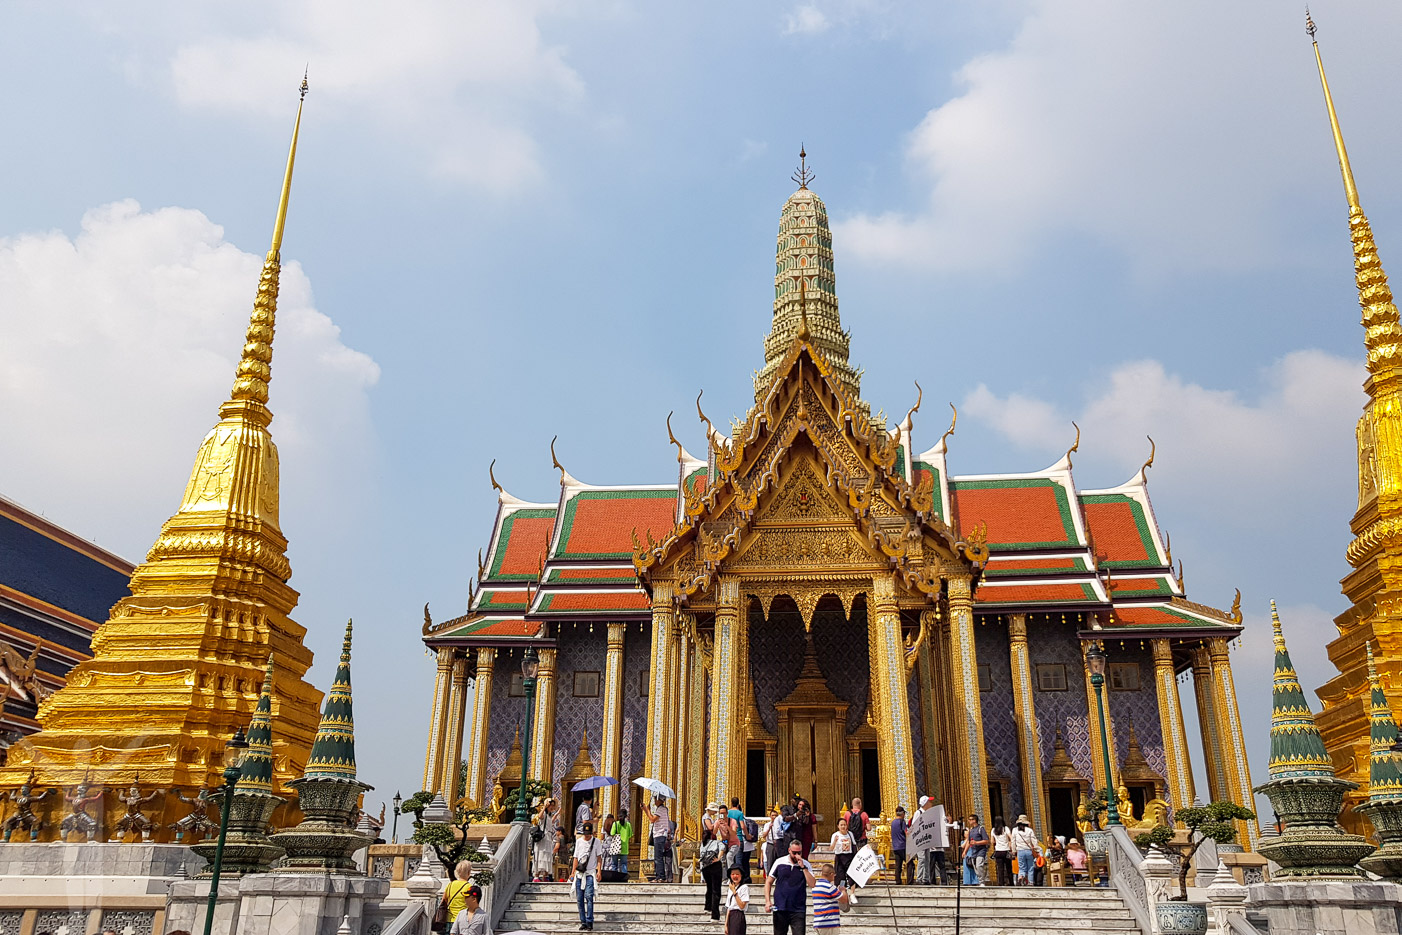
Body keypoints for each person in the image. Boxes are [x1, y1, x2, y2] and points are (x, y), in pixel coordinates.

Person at [765, 838, 815, 935]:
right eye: (794, 852)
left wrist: (803, 868)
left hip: (798, 909)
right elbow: (768, 882)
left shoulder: (806, 864)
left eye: (799, 852)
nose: (796, 855)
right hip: (780, 907)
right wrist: (768, 901)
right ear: (789, 850)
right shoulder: (780, 862)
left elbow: (812, 884)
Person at [571, 820, 605, 931]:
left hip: (590, 873)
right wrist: (572, 873)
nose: (587, 836)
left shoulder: (597, 842)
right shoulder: (579, 842)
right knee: (579, 898)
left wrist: (599, 872)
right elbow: (576, 857)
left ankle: (590, 920)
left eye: (588, 834)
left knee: (589, 896)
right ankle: (583, 921)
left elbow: (599, 858)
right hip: (580, 874)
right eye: (585, 834)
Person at [702, 804, 727, 920]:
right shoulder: (706, 818)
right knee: (716, 890)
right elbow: (712, 829)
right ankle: (715, 915)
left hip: (706, 866)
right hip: (714, 865)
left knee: (710, 888)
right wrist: (719, 858)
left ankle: (708, 907)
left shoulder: (703, 846)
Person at [811, 863, 850, 932]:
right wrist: (843, 891)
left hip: (818, 922)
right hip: (829, 923)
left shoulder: (815, 885)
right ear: (831, 874)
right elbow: (844, 900)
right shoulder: (829, 887)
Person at [642, 794, 672, 882]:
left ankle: (661, 877)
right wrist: (647, 810)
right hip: (659, 835)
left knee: (658, 857)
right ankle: (659, 876)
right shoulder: (663, 809)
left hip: (659, 835)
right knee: (657, 857)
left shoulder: (661, 809)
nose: (655, 801)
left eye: (656, 799)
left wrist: (646, 810)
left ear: (660, 800)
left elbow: (652, 819)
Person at [828, 817, 857, 905]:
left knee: (852, 876)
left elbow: (855, 845)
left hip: (849, 857)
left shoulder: (850, 834)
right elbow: (831, 848)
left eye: (844, 825)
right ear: (838, 826)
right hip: (840, 858)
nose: (843, 827)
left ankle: (852, 894)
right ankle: (842, 894)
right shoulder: (835, 835)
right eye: (841, 825)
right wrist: (835, 841)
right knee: (840, 877)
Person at [533, 798, 560, 881]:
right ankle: (536, 875)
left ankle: (545, 875)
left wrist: (557, 813)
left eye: (552, 805)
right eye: (550, 805)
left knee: (547, 855)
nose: (551, 807)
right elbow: (540, 816)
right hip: (542, 837)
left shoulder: (548, 816)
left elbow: (550, 822)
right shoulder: (543, 814)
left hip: (548, 837)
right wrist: (544, 807)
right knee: (540, 855)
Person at [1009, 814, 1040, 886]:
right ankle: (1030, 882)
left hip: (1020, 851)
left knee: (1022, 867)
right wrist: (1036, 850)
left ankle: (1021, 876)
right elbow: (1034, 841)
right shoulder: (1029, 830)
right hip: (1029, 851)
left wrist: (1014, 851)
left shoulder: (1014, 830)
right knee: (1030, 867)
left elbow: (1013, 841)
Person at [442, 861, 475, 926]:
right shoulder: (469, 887)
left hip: (450, 919)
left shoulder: (450, 885)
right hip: (463, 920)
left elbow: (444, 900)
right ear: (469, 872)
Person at [961, 814, 989, 886]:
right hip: (974, 851)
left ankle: (982, 881)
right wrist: (965, 851)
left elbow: (986, 841)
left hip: (981, 850)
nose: (969, 821)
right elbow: (969, 842)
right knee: (975, 867)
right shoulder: (971, 830)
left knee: (979, 865)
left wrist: (976, 842)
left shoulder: (980, 829)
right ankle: (979, 880)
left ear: (974, 820)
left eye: (970, 819)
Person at [725, 864, 750, 935]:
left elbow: (742, 906)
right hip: (731, 916)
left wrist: (735, 892)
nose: (735, 876)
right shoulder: (731, 888)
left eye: (737, 874)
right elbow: (729, 907)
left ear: (741, 875)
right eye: (733, 874)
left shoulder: (744, 887)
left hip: (738, 915)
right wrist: (726, 924)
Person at [889, 805, 911, 885]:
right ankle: (909, 881)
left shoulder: (893, 822)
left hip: (895, 846)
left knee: (898, 865)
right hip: (903, 846)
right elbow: (906, 832)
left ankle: (898, 881)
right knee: (909, 863)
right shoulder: (902, 822)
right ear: (902, 814)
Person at [991, 817, 1012, 886]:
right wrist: (1009, 843)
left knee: (1000, 869)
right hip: (1006, 850)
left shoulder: (993, 830)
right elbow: (1011, 837)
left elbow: (992, 841)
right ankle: (1011, 882)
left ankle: (1001, 883)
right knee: (1009, 868)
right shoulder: (1006, 829)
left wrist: (996, 844)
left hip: (998, 851)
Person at [615, 807, 633, 879]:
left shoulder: (616, 824)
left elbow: (612, 833)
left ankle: (615, 878)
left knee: (614, 864)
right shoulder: (628, 825)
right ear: (626, 816)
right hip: (624, 848)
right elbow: (630, 835)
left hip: (615, 847)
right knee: (624, 864)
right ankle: (624, 879)